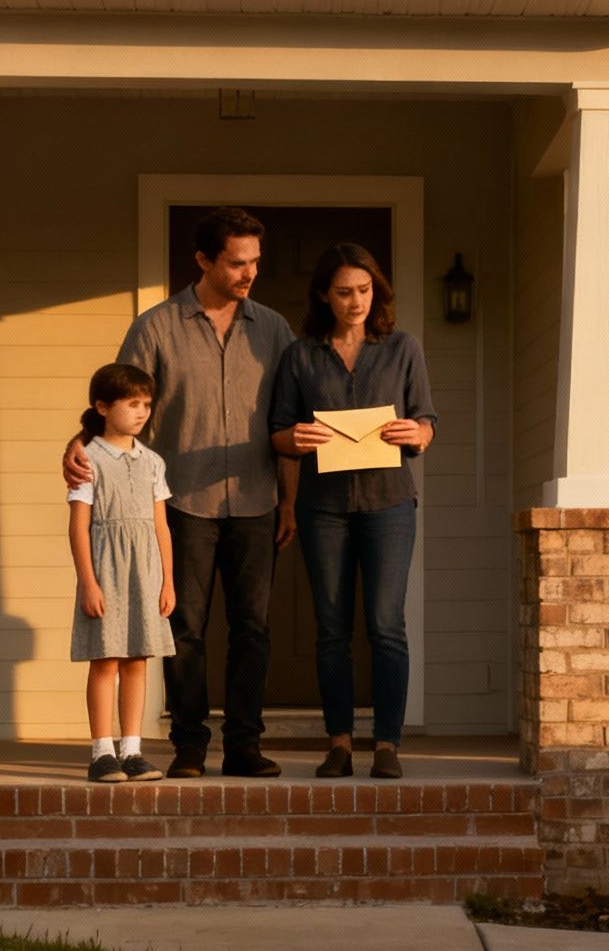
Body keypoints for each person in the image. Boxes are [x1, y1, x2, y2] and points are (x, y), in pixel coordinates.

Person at [64, 207, 297, 779]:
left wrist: (290, 500)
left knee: (253, 628)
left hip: (256, 498)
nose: (249, 274)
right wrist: (78, 439)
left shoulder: (273, 329)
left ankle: (244, 744)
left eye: (255, 263)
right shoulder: (156, 326)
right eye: (237, 263)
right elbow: (120, 396)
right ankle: (190, 745)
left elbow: (288, 417)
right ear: (204, 261)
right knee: (183, 628)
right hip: (180, 503)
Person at [270, 244, 435, 779]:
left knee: (387, 625)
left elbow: (426, 421)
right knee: (331, 628)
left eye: (364, 290)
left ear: (376, 292)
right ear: (325, 295)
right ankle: (339, 743)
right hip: (325, 510)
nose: (355, 301)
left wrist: (420, 432)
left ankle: (387, 744)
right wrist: (294, 438)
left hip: (390, 505)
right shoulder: (301, 355)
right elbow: (278, 432)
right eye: (344, 292)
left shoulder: (402, 348)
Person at [69, 363, 175, 784]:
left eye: (147, 404)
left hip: (145, 572)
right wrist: (88, 582)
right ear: (102, 406)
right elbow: (79, 525)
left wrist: (168, 581)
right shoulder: (87, 459)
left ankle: (132, 750)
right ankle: (102, 753)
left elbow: (161, 526)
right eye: (132, 403)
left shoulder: (152, 462)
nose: (142, 412)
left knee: (137, 659)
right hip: (107, 571)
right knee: (106, 659)